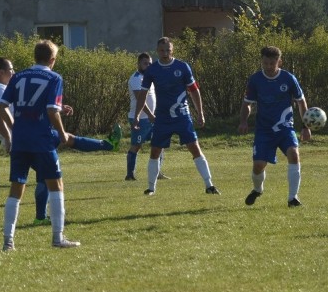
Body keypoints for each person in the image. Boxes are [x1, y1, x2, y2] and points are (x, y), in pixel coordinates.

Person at [0, 57, 120, 227]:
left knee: (64, 146)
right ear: (1, 73)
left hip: (27, 134)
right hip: (27, 136)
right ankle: (44, 220)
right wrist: (8, 136)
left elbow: (31, 103)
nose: (13, 72)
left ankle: (40, 218)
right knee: (57, 157)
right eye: (11, 69)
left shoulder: (8, 85)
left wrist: (58, 107)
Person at [0, 41, 81, 251]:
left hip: (21, 141)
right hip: (42, 140)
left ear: (34, 56)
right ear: (52, 60)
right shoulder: (54, 77)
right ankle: (57, 238)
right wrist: (62, 134)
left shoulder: (18, 76)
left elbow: (2, 106)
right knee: (56, 185)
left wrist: (14, 128)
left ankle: (8, 242)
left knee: (16, 188)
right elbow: (52, 110)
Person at [132, 37, 219, 196]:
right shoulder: (152, 70)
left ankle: (209, 185)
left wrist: (200, 113)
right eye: (162, 51)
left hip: (182, 116)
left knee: (195, 149)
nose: (165, 53)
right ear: (157, 51)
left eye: (168, 50)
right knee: (155, 151)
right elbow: (142, 94)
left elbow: (194, 91)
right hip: (162, 118)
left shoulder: (182, 67)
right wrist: (137, 115)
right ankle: (151, 188)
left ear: (172, 51)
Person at [238, 45, 312, 207]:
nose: (269, 67)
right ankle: (257, 189)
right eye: (265, 63)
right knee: (258, 166)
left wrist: (306, 126)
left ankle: (293, 198)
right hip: (264, 130)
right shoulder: (255, 80)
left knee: (294, 154)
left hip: (285, 128)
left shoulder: (289, 79)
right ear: (261, 62)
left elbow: (301, 102)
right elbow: (247, 104)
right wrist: (243, 121)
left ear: (280, 62)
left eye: (272, 63)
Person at [126, 52, 168, 181]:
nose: (148, 65)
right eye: (145, 63)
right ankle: (130, 174)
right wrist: (150, 115)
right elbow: (140, 99)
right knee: (136, 145)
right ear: (139, 64)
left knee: (159, 143)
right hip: (140, 118)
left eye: (150, 63)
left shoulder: (150, 78)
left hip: (153, 118)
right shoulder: (136, 78)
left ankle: (157, 173)